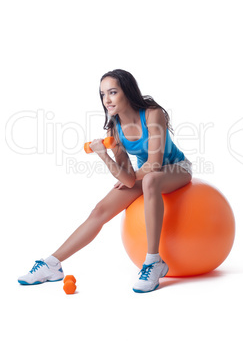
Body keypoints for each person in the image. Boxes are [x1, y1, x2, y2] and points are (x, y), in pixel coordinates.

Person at [18, 69, 192, 293]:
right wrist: (103, 154)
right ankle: (51, 264)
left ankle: (153, 261)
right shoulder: (114, 128)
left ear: (127, 92)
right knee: (100, 209)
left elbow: (153, 166)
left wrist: (131, 178)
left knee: (150, 181)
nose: (106, 100)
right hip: (147, 175)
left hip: (177, 168)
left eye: (112, 92)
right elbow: (127, 177)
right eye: (102, 94)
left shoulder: (152, 114)